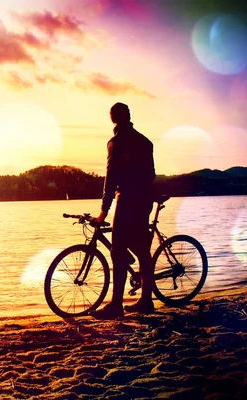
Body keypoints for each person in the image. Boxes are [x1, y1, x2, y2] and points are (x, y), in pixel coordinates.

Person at [92, 102, 155, 319]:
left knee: (118, 251)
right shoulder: (145, 142)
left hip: (127, 200)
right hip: (144, 201)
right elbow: (151, 175)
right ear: (128, 116)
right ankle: (146, 301)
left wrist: (104, 210)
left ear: (112, 118)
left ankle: (116, 305)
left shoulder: (116, 142)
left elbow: (111, 179)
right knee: (142, 251)